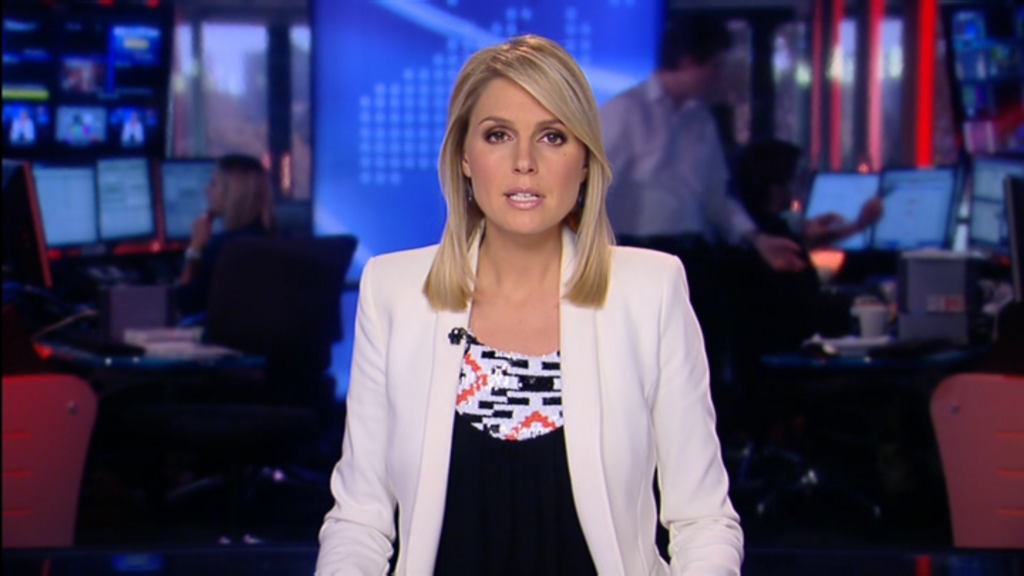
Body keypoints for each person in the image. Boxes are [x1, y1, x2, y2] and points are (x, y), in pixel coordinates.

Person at [315, 35, 742, 575]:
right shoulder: (395, 292)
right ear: (464, 157)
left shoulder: (650, 291)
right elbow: (360, 520)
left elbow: (703, 519)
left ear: (584, 161)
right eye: (498, 135)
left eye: (552, 137)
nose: (524, 162)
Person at [725, 139, 883, 379]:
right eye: (794, 180)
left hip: (751, 370)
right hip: (790, 373)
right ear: (777, 189)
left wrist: (857, 226)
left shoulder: (747, 235)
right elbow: (810, 311)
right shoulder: (778, 242)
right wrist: (865, 305)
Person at [175, 154, 275, 318]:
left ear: (232, 193)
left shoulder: (225, 247)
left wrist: (195, 246)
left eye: (214, 184)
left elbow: (186, 302)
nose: (207, 190)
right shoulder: (276, 240)